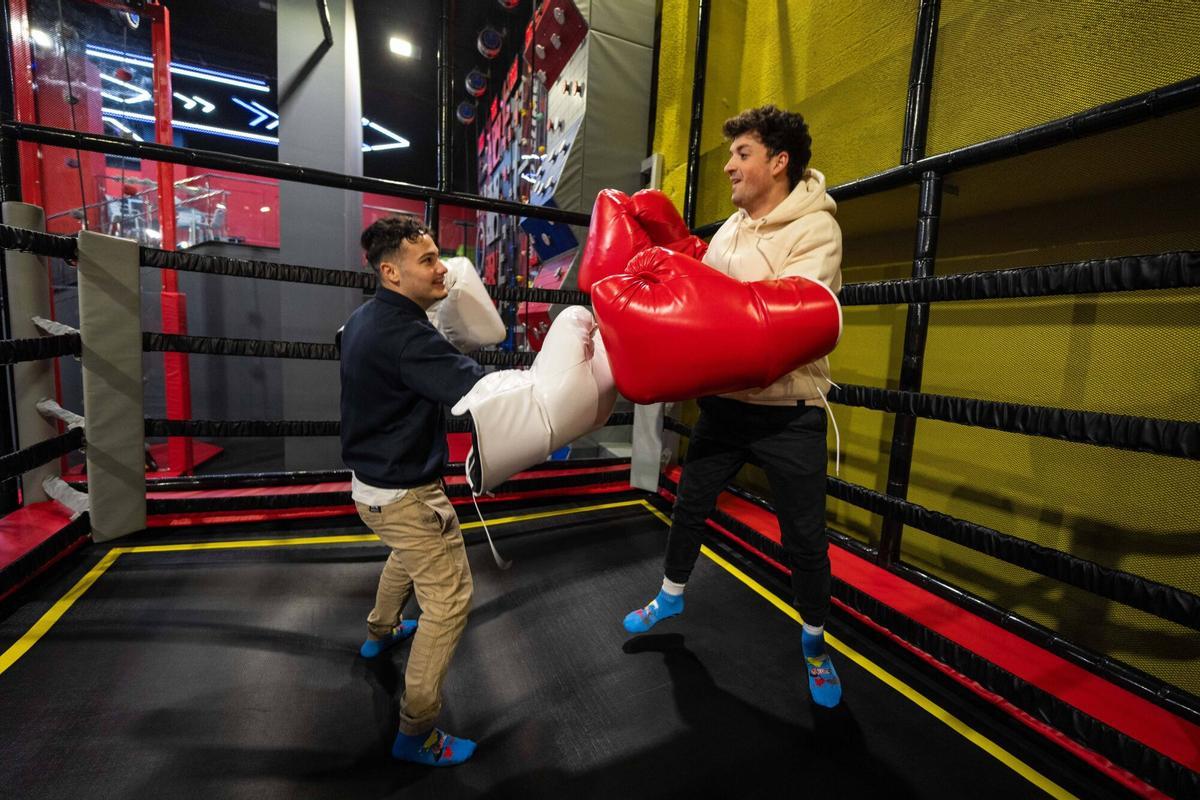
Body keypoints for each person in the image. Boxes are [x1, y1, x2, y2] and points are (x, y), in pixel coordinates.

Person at [621, 105, 845, 708]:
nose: (728, 166)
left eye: (741, 154)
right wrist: (673, 263)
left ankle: (816, 644)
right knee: (689, 501)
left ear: (779, 162)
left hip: (789, 409)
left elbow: (774, 319)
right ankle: (670, 593)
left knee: (803, 537)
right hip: (726, 405)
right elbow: (706, 300)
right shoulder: (731, 230)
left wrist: (697, 291)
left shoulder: (816, 230)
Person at [339, 215, 486, 766]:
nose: (442, 267)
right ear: (391, 272)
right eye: (427, 260)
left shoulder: (362, 321)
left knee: (410, 555)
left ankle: (380, 633)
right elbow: (478, 392)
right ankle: (416, 733)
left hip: (370, 489)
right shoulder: (407, 337)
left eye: (437, 255)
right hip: (409, 493)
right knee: (449, 601)